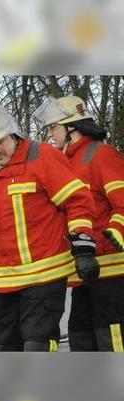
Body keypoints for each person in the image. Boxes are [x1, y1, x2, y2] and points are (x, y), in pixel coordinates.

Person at [0, 104, 98, 351]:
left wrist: (83, 246)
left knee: (36, 343)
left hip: (44, 275)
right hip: (4, 280)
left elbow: (78, 199)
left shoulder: (41, 156)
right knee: (3, 344)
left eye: (1, 142)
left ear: (14, 135)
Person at [34, 95, 124, 351]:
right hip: (84, 273)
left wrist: (112, 237)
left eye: (53, 127)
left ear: (71, 128)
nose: (50, 134)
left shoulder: (102, 155)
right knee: (80, 339)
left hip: (112, 273)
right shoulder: (65, 161)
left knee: (112, 340)